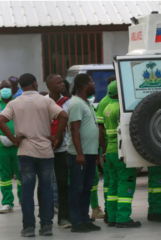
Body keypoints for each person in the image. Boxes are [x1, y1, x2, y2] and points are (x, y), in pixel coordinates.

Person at [0, 73, 68, 237]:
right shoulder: (46, 100)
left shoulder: (15, 103)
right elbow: (63, 115)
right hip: (45, 152)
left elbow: (0, 121)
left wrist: (14, 139)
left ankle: (29, 228)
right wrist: (56, 136)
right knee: (47, 190)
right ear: (35, 84)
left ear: (21, 87)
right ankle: (46, 226)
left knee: (27, 192)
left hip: (25, 151)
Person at [103, 81, 140, 228]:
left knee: (113, 185)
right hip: (121, 152)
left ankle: (112, 217)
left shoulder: (107, 107)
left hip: (110, 151)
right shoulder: (121, 108)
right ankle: (123, 218)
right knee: (126, 183)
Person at [67, 73, 100, 233]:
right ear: (85, 86)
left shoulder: (86, 103)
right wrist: (79, 153)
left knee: (87, 187)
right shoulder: (76, 104)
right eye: (92, 82)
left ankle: (85, 219)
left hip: (90, 153)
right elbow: (74, 129)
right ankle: (76, 221)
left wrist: (96, 152)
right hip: (79, 155)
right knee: (77, 188)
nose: (94, 85)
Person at [0, 80, 22, 214]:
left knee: (22, 175)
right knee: (5, 176)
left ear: (13, 89)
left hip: (19, 145)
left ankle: (23, 200)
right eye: (2, 87)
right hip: (2, 147)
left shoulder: (19, 104)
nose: (5, 89)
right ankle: (7, 203)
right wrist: (0, 137)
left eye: (7, 87)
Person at [45, 74, 71, 228]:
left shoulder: (67, 103)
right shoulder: (42, 102)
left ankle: (64, 217)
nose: (63, 85)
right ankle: (45, 218)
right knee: (44, 184)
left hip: (62, 149)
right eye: (59, 82)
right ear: (49, 86)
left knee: (62, 184)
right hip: (44, 149)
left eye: (62, 82)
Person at [94, 75, 116, 223]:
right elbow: (100, 130)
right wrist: (103, 151)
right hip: (110, 148)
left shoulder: (107, 101)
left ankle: (110, 211)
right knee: (110, 182)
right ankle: (110, 210)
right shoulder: (106, 103)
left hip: (109, 149)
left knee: (110, 182)